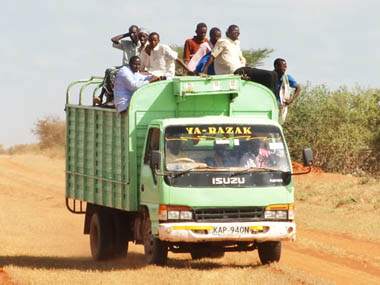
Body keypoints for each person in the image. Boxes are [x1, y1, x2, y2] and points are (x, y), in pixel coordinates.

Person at [274, 58, 301, 123]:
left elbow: (298, 88)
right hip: (271, 103)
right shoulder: (270, 76)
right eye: (282, 67)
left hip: (281, 104)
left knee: (280, 122)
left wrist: (291, 99)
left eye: (285, 67)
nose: (284, 69)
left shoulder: (287, 77)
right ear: (276, 66)